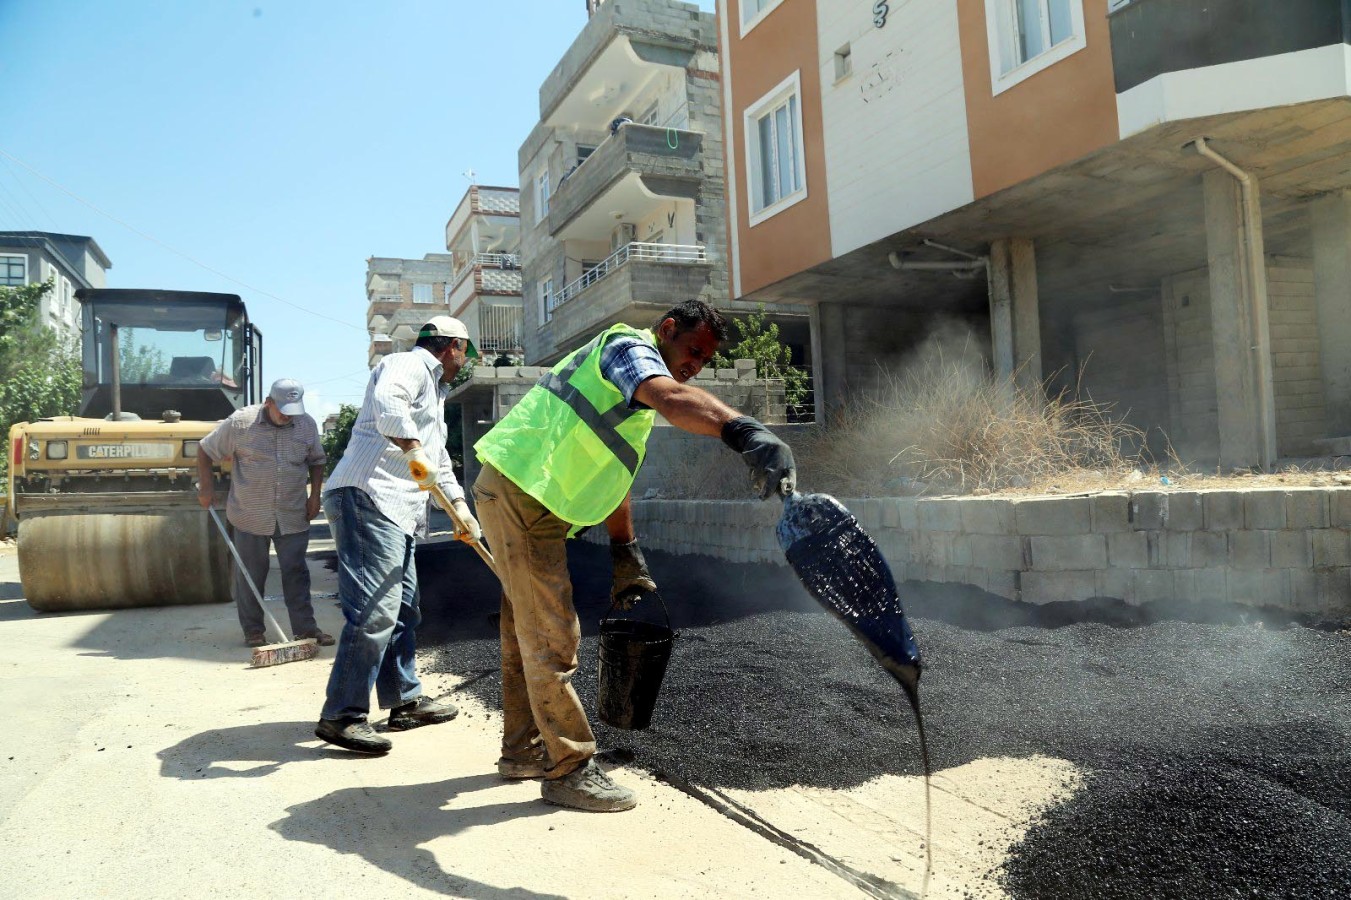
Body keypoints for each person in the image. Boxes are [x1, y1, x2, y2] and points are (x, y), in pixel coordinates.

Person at [472, 299, 796, 812]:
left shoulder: (632, 401)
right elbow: (671, 396)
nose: (694, 365)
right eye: (692, 350)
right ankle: (569, 769)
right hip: (521, 492)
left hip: (530, 497)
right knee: (553, 634)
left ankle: (524, 751)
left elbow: (614, 472)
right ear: (667, 330)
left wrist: (626, 550)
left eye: (705, 359)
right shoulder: (629, 350)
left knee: (523, 627)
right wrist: (742, 429)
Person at [314, 316, 483, 755]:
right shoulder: (410, 365)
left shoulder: (437, 395)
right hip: (368, 495)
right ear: (451, 347)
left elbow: (438, 461)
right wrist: (410, 449)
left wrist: (462, 512)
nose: (464, 363)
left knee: (404, 609)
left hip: (398, 508)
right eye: (465, 353)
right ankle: (342, 716)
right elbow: (390, 403)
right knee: (375, 611)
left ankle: (404, 701)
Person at [197, 378, 332, 649]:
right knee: (250, 574)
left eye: (293, 409)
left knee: (296, 572)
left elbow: (317, 461)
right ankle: (254, 632)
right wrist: (207, 487)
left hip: (293, 512)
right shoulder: (240, 422)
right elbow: (205, 449)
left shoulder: (306, 425)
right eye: (282, 409)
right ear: (268, 402)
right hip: (249, 513)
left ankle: (305, 630)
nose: (287, 415)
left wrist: (315, 495)